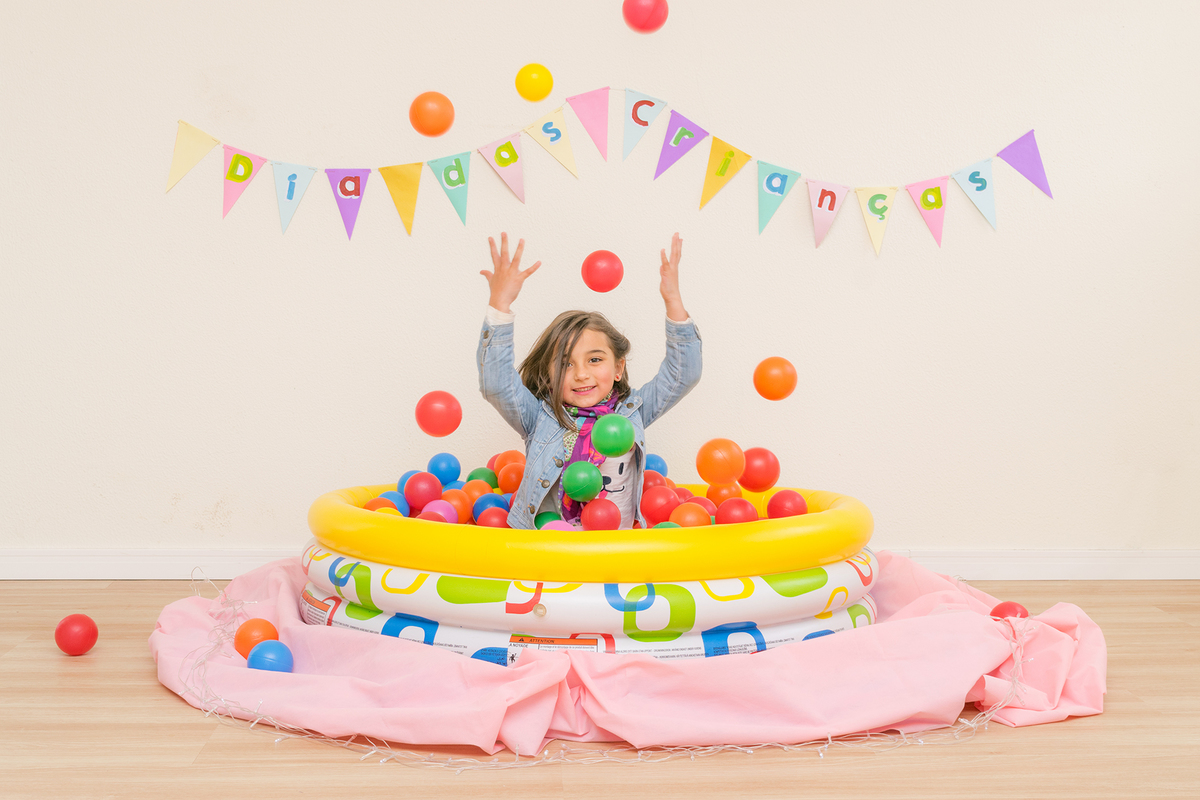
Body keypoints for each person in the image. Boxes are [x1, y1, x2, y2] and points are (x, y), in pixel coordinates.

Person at [477, 232, 701, 529]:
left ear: (618, 367)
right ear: (549, 374)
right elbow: (496, 384)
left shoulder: (632, 412)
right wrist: (499, 306)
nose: (581, 373)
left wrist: (674, 302)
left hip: (614, 549)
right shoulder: (539, 418)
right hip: (550, 547)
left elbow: (683, 374)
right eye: (565, 364)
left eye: (594, 360)